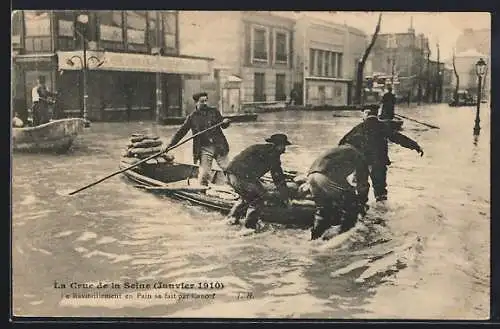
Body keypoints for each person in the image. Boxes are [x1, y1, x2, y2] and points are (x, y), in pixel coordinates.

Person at [338, 106, 424, 202]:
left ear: (366, 114)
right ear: (377, 114)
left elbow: (343, 142)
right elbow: (399, 138)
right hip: (379, 161)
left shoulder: (359, 127)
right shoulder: (383, 126)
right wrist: (415, 146)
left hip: (362, 162)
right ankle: (382, 209)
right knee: (380, 191)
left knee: (361, 187)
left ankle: (362, 209)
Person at [296, 144, 370, 240]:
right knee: (352, 205)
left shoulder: (342, 150)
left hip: (311, 176)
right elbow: (362, 184)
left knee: (323, 210)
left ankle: (315, 239)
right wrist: (362, 203)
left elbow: (340, 178)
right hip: (324, 177)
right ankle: (345, 236)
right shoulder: (359, 155)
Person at [225, 134, 292, 229]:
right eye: (283, 146)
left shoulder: (259, 148)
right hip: (241, 177)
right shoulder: (273, 155)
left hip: (230, 173)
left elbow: (277, 177)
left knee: (246, 197)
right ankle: (249, 227)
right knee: (258, 199)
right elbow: (278, 178)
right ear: (277, 146)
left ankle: (232, 219)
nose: (284, 149)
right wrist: (286, 197)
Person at [164, 92, 231, 186]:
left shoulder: (214, 111)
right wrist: (170, 145)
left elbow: (223, 125)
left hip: (219, 146)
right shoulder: (192, 117)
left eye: (206, 101)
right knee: (205, 174)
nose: (205, 103)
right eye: (202, 101)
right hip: (204, 149)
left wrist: (226, 122)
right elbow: (181, 132)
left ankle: (235, 188)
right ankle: (202, 191)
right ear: (196, 103)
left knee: (228, 169)